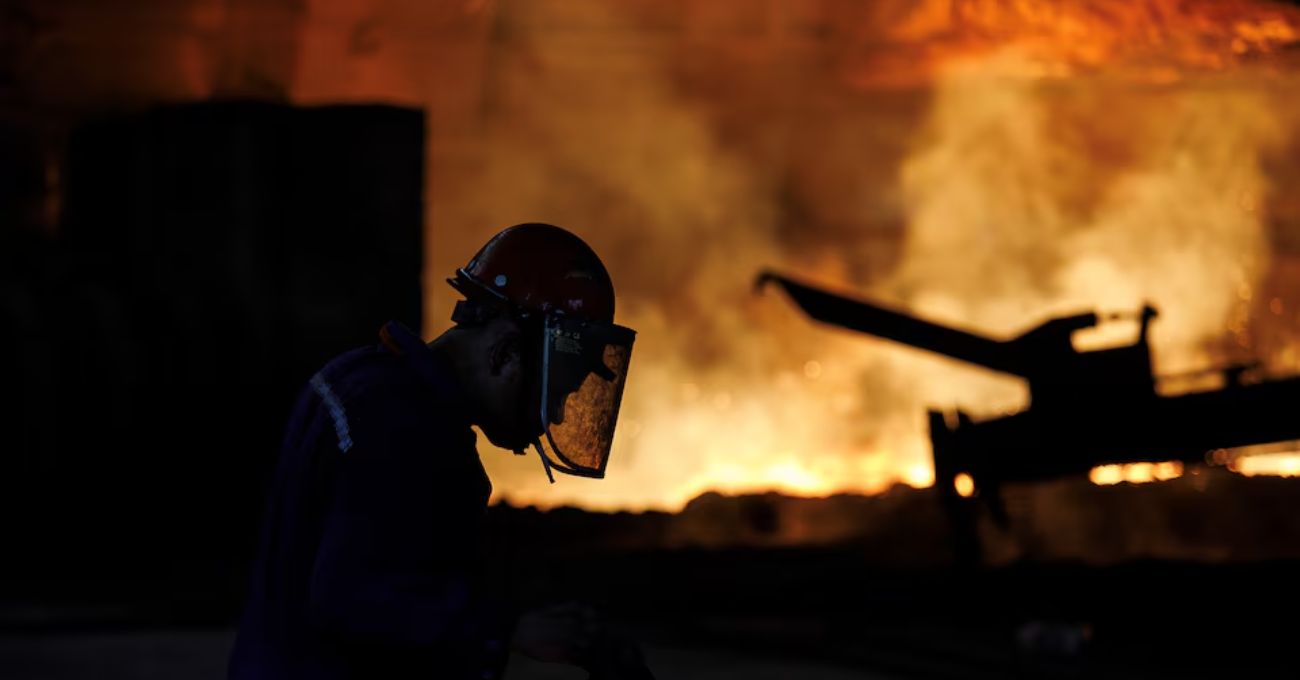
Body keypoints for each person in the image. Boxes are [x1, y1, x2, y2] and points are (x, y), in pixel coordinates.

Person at [228, 223, 647, 679]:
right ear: (505, 352)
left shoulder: (356, 379)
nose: (559, 417)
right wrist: (508, 629)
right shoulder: (405, 426)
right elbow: (350, 595)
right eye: (557, 392)